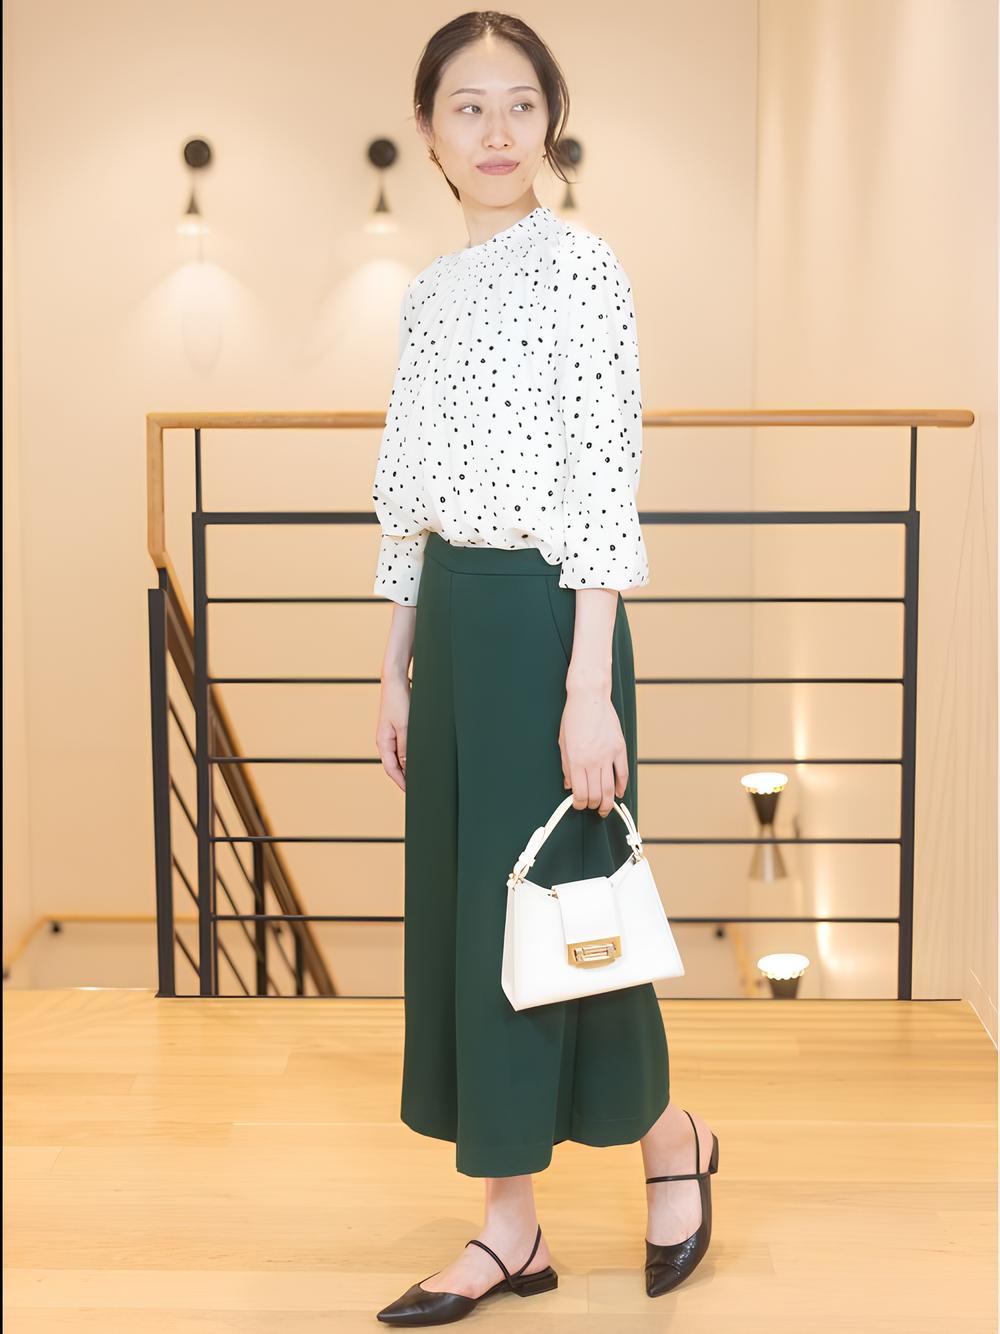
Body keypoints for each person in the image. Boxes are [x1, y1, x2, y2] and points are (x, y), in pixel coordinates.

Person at [371, 12, 719, 1324]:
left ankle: (651, 1149)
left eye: (521, 103)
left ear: (551, 122)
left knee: (564, 905)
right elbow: (406, 495)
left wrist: (587, 688)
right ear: (429, 131)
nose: (498, 131)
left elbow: (601, 483)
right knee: (482, 922)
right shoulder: (428, 293)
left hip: (549, 622)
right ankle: (530, 1215)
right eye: (468, 107)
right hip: (455, 624)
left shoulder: (582, 271)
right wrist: (394, 665)